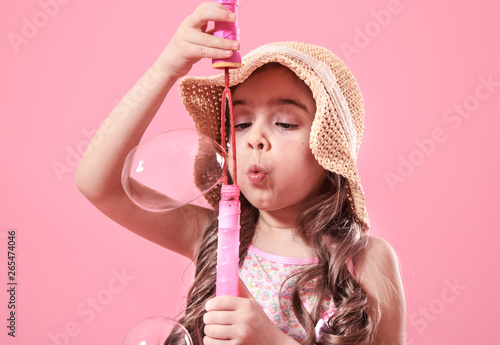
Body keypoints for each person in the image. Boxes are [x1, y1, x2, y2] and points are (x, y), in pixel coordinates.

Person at [75, 2, 405, 344]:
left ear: (328, 149)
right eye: (242, 123)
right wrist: (166, 69)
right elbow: (98, 183)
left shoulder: (366, 260)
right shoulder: (215, 239)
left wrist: (272, 341)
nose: (255, 140)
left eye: (285, 123)